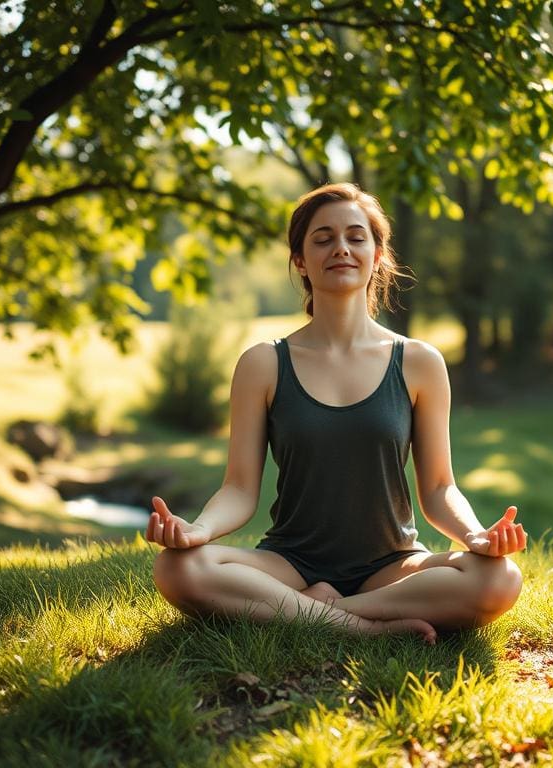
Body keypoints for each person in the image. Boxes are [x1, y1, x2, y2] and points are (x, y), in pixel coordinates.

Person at [148, 183, 527, 644]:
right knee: (177, 568)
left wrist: (475, 536)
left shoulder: (419, 362)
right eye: (323, 239)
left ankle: (320, 613)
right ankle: (365, 630)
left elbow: (439, 488)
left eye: (355, 236)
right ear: (301, 261)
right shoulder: (263, 363)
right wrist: (197, 530)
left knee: (499, 577)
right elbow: (239, 489)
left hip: (392, 565)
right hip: (289, 563)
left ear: (378, 254)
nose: (341, 248)